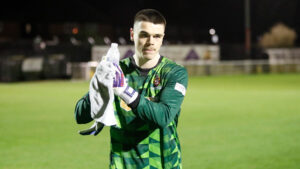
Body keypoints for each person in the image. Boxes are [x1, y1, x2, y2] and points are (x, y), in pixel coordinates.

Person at [74, 8, 188, 169]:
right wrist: (98, 86)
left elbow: (163, 116)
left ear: (163, 38)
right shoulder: (116, 71)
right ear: (132, 34)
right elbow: (80, 116)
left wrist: (123, 91)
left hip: (163, 163)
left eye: (157, 36)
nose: (151, 41)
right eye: (144, 35)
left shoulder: (175, 73)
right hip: (123, 164)